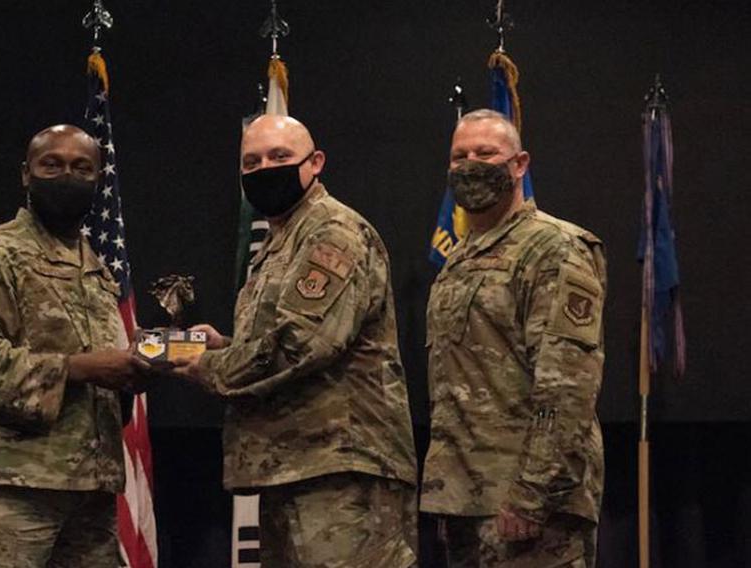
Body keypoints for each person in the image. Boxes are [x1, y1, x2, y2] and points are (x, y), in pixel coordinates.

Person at [171, 115, 419, 567]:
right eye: (252, 161)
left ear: (315, 162)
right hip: (294, 467)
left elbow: (302, 344)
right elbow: (288, 340)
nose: (265, 168)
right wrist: (223, 348)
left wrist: (209, 369)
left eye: (280, 157)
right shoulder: (284, 240)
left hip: (341, 472)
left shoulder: (333, 232)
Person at [0, 124, 153, 567]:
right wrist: (77, 368)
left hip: (90, 491)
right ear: (26, 174)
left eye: (81, 167)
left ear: (98, 179)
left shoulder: (94, 268)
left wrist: (139, 368)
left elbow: (105, 371)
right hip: (9, 488)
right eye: (52, 164)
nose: (67, 176)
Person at [421, 109, 606, 567]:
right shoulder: (459, 261)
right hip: (467, 501)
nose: (470, 165)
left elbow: (566, 388)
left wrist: (533, 491)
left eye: (486, 153)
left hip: (531, 507)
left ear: (520, 163)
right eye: (459, 156)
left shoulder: (555, 249)